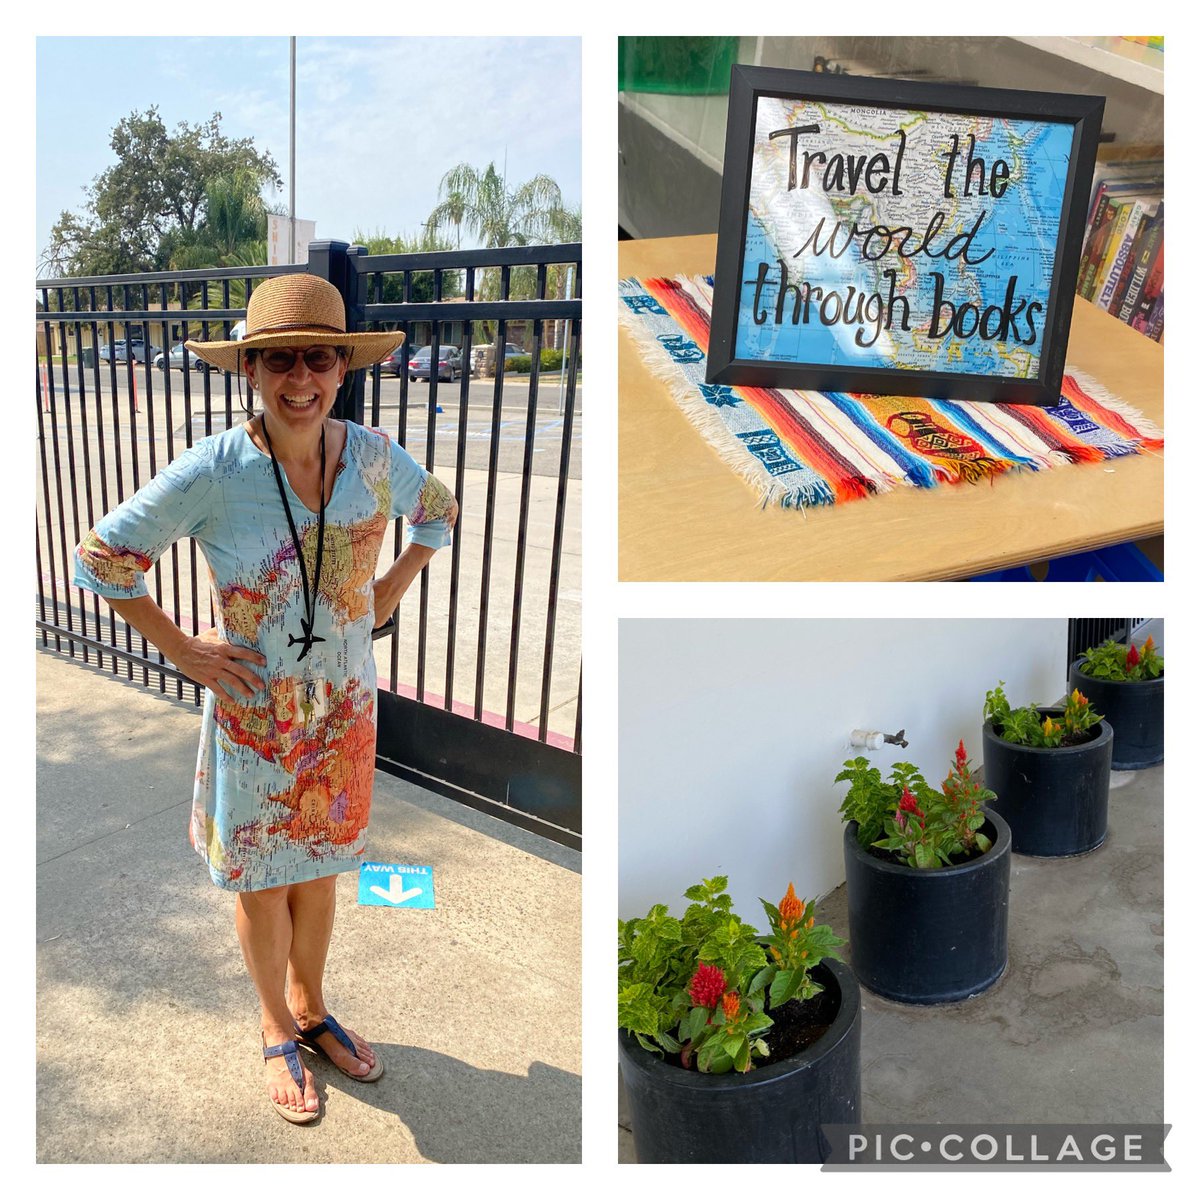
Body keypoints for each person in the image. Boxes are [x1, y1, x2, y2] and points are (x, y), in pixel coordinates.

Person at [73, 274, 457, 1124]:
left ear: (342, 366)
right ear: (250, 369)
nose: (300, 377)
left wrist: (390, 585)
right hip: (256, 717)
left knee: (319, 875)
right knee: (262, 885)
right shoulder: (216, 470)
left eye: (318, 357)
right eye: (277, 359)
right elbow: (100, 559)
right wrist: (183, 648)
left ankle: (314, 1010)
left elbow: (438, 513)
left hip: (345, 713)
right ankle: (275, 1025)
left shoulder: (372, 458)